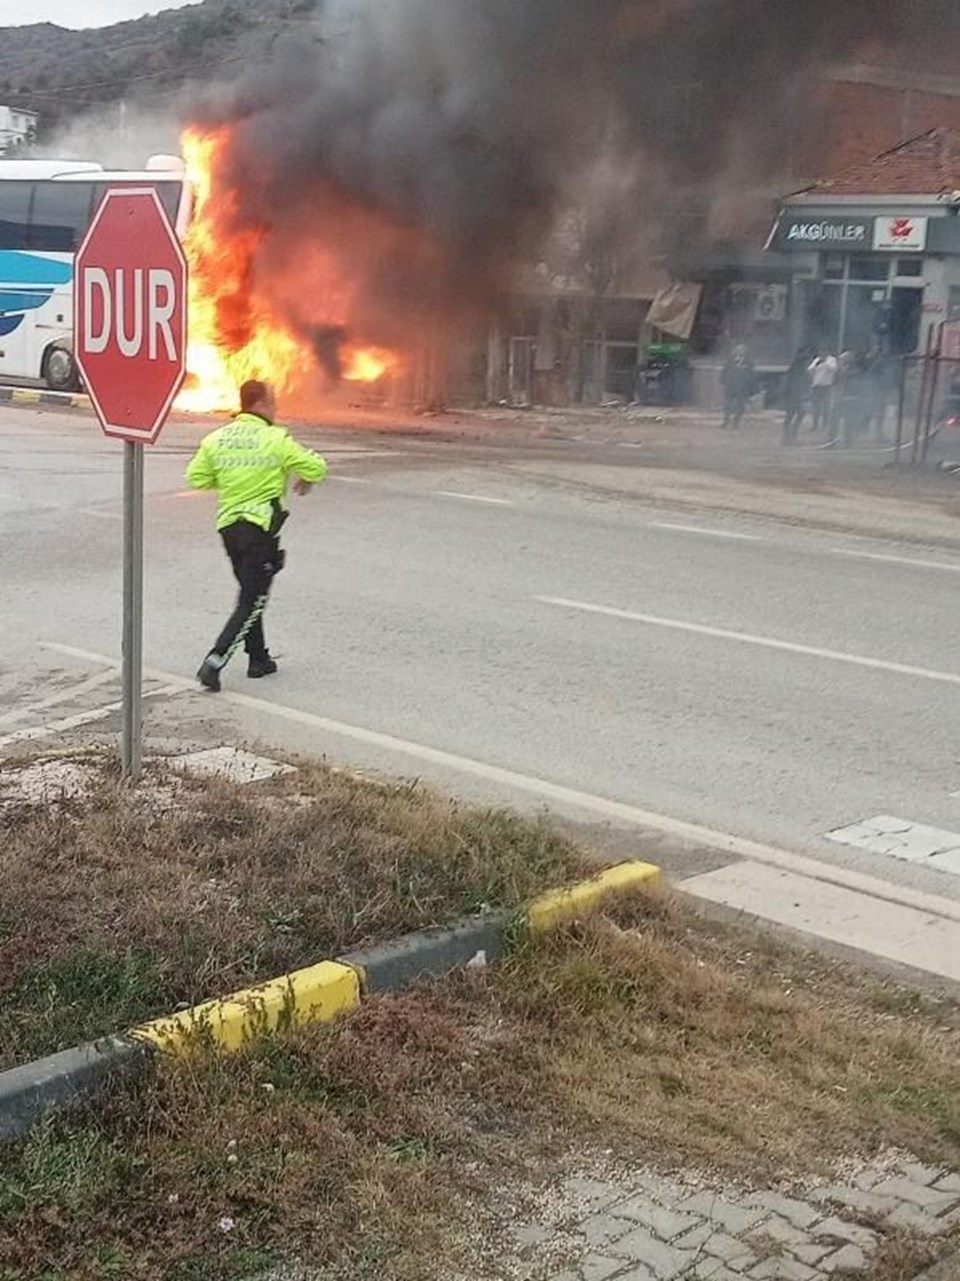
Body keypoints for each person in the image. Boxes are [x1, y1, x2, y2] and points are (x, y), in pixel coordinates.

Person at [186, 380, 328, 693]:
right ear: (261, 404)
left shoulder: (216, 439)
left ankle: (258, 659)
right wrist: (305, 476)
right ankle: (215, 660)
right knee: (253, 599)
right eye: (273, 401)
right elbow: (316, 468)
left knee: (251, 593)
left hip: (229, 529)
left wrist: (231, 482)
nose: (276, 407)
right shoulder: (274, 439)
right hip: (259, 529)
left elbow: (196, 477)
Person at [782, 346, 812, 445]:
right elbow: (796, 382)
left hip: (795, 395)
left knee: (795, 415)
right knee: (792, 416)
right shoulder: (798, 366)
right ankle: (788, 436)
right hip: (794, 395)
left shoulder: (797, 366)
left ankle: (789, 436)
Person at [720, 343, 755, 429]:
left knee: (740, 405)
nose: (740, 352)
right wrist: (723, 381)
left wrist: (749, 387)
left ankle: (736, 422)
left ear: (745, 352)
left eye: (742, 350)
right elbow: (725, 371)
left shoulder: (749, 362)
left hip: (742, 387)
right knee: (727, 403)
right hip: (730, 386)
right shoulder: (730, 360)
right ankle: (726, 420)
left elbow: (751, 375)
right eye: (738, 350)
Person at [808, 348, 839, 435]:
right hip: (816, 385)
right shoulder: (817, 359)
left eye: (823, 352)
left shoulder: (832, 360)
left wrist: (825, 363)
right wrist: (813, 375)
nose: (822, 354)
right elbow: (810, 369)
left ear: (827, 352)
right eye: (820, 352)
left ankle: (825, 424)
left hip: (827, 386)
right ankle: (815, 425)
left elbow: (834, 369)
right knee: (816, 406)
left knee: (826, 406)